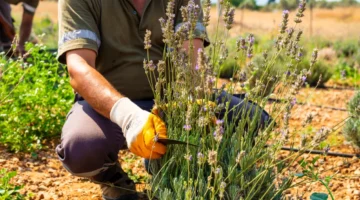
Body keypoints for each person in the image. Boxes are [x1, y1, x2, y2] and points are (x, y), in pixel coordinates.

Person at [55, 0, 271, 199]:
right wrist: (128, 116)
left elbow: (191, 58)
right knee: (81, 148)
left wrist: (189, 106)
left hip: (173, 99)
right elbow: (79, 68)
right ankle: (113, 181)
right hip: (109, 105)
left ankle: (168, 167)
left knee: (253, 121)